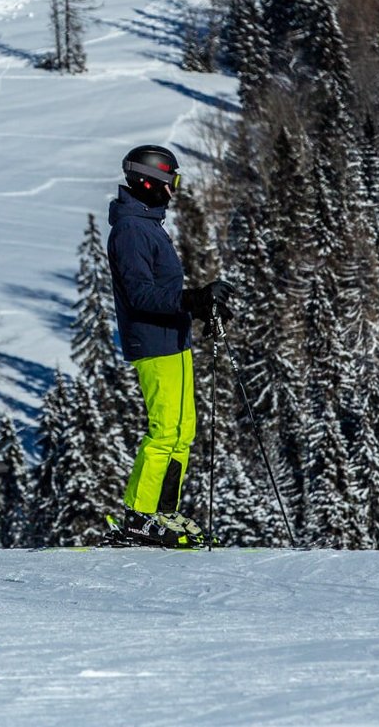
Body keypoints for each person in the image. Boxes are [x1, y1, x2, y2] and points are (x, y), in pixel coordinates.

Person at [107, 144, 233, 547]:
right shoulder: (130, 230)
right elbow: (141, 295)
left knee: (183, 431)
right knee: (164, 432)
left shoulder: (148, 225)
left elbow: (165, 291)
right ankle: (139, 516)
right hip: (152, 343)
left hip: (173, 339)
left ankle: (164, 511)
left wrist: (201, 308)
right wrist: (189, 300)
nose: (174, 191)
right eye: (172, 182)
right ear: (151, 182)